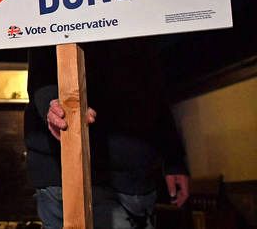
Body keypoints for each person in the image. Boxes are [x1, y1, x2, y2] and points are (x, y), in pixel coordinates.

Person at [24, 39, 190, 228]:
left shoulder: (137, 24)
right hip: (77, 168)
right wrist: (53, 106)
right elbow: (41, 68)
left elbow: (152, 83)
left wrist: (174, 158)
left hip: (131, 167)